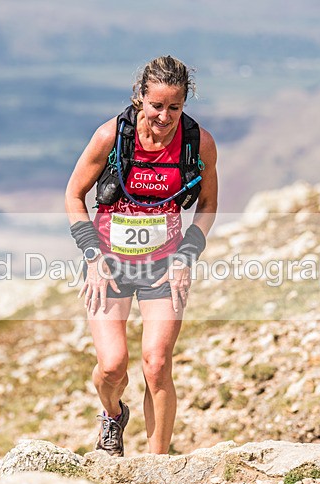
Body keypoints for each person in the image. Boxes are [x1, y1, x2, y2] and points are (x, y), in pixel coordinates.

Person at [65, 55, 218, 456]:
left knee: (156, 363)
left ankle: (157, 462)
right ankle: (113, 414)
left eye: (175, 107)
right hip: (108, 263)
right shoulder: (110, 137)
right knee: (113, 365)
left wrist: (188, 254)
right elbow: (73, 195)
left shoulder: (197, 142)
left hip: (165, 264)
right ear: (140, 98)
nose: (164, 116)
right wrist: (92, 256)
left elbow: (208, 206)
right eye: (156, 105)